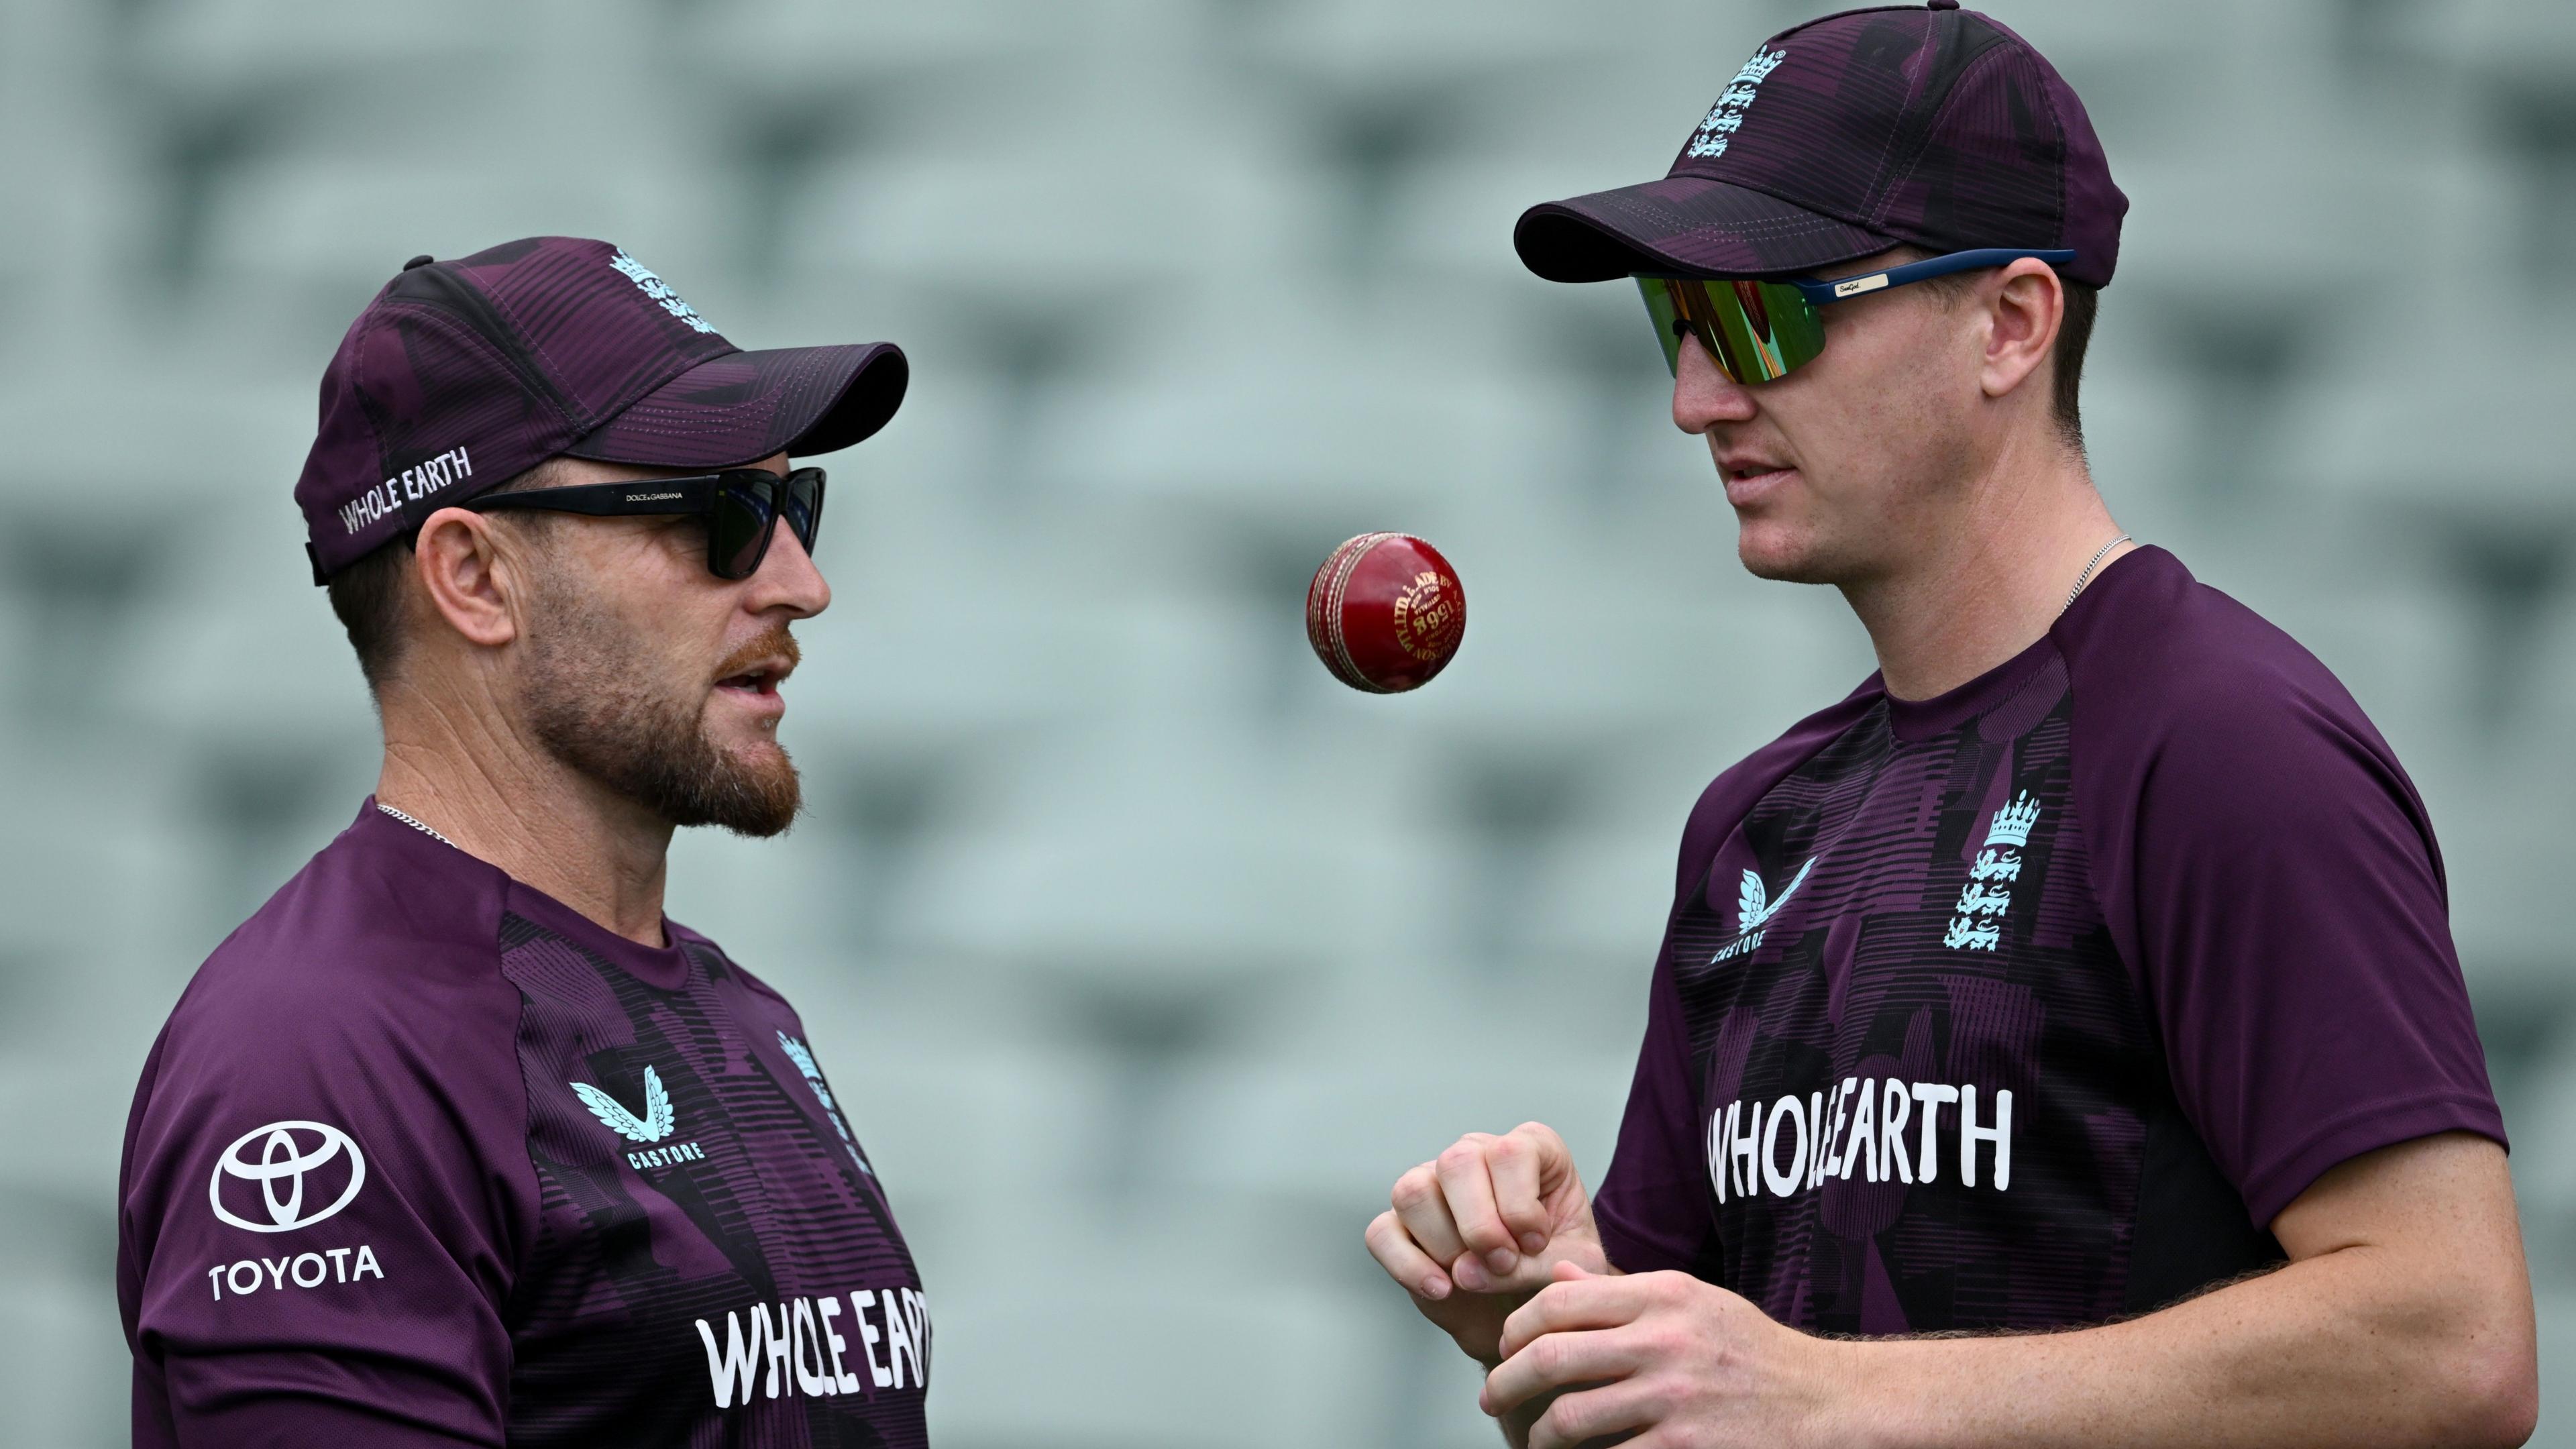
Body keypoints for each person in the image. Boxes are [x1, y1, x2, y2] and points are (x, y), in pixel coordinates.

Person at [1363, 6, 2540, 1447]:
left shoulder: (2221, 742)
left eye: (1764, 314)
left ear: (2011, 325)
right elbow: (1713, 1401)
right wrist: (1558, 1307)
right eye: (1677, 319)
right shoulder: (1752, 822)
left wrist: (1825, 1401)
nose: (1694, 398)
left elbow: (2453, 1346)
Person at [116, 237, 931, 1445]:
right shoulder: (323, 1051)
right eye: (726, 514)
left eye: (793, 503)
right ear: (474, 577)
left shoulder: (742, 1012)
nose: (801, 584)